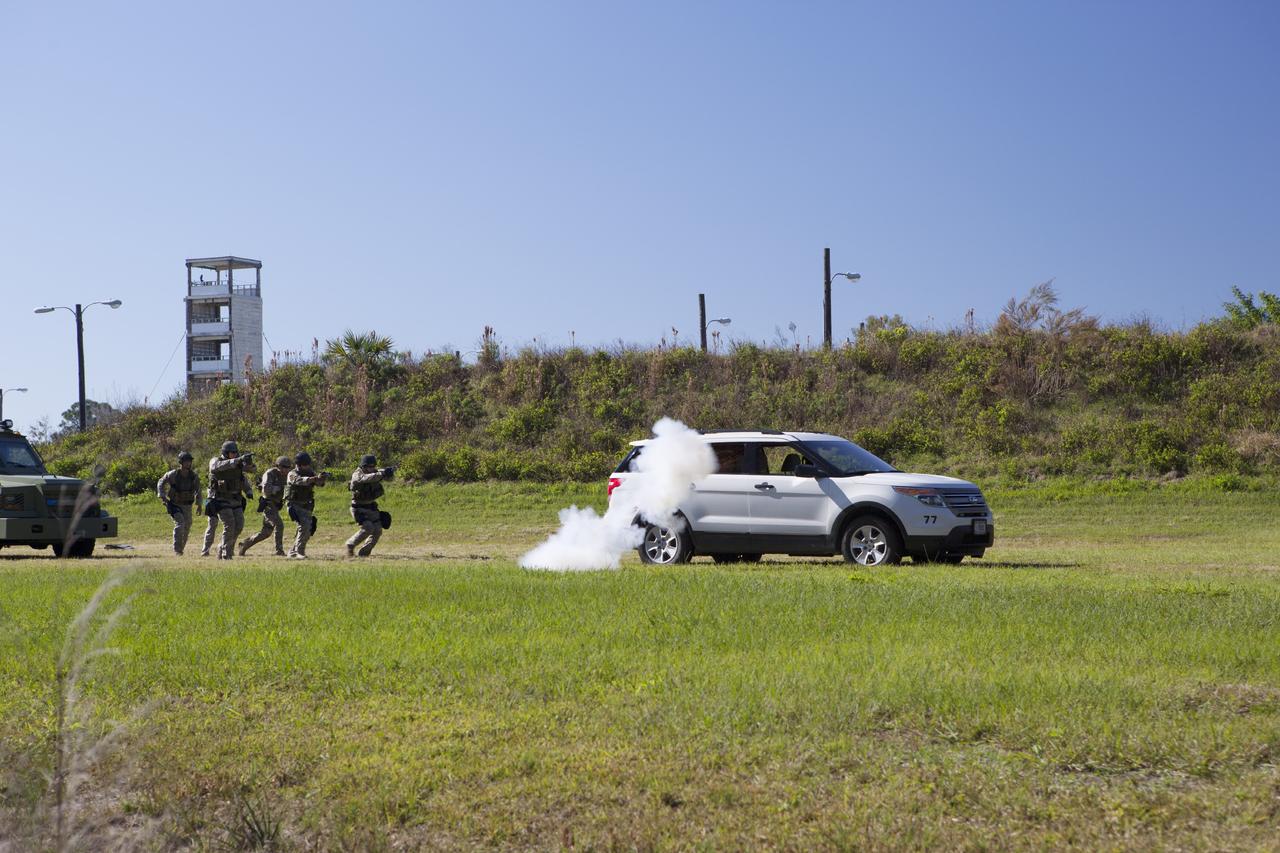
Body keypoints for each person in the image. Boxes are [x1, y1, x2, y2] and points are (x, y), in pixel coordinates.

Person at [201, 441, 255, 560]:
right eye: (232, 452)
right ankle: (225, 553)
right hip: (219, 499)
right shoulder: (215, 461)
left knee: (239, 525)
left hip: (235, 499)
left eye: (236, 452)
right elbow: (216, 467)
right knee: (228, 524)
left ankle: (222, 547)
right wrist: (237, 460)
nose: (235, 454)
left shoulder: (237, 462)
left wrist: (248, 463)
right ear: (225, 452)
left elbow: (249, 472)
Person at [238, 455, 293, 556]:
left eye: (288, 467)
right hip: (268, 504)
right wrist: (279, 488)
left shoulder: (289, 475)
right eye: (284, 467)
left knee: (266, 532)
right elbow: (266, 491)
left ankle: (245, 544)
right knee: (279, 525)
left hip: (276, 505)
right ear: (278, 466)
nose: (286, 469)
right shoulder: (270, 473)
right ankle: (279, 551)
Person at [346, 454, 395, 558]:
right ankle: (350, 544)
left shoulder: (375, 472)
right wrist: (381, 474)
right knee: (368, 528)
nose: (372, 469)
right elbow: (365, 479)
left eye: (373, 466)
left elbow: (389, 479)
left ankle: (364, 554)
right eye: (369, 467)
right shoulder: (357, 474)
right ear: (363, 466)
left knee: (377, 530)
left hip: (371, 507)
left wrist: (389, 473)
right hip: (358, 508)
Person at [284, 451, 328, 559]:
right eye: (305, 464)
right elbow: (298, 481)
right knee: (304, 526)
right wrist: (311, 479)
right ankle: (300, 552)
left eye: (308, 464)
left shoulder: (310, 472)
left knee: (308, 529)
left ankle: (293, 551)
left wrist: (321, 478)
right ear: (299, 464)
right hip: (294, 505)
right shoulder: (292, 473)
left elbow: (319, 484)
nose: (307, 466)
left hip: (306, 505)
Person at [156, 450, 200, 555]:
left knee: (187, 527)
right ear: (181, 462)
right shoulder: (173, 474)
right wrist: (162, 496)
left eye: (190, 461)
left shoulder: (193, 476)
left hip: (187, 506)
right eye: (186, 461)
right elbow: (161, 482)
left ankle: (180, 549)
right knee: (180, 523)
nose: (188, 463)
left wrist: (199, 505)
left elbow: (198, 490)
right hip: (175, 505)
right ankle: (177, 550)